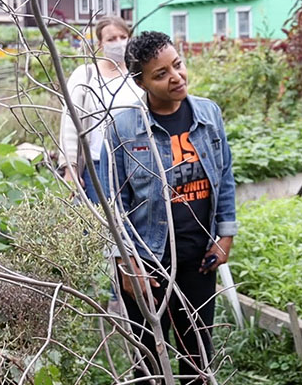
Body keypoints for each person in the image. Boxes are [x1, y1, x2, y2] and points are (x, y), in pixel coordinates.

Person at [99, 31, 236, 384]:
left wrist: (225, 235)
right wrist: (125, 263)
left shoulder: (208, 113)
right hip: (145, 265)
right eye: (160, 74)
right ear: (140, 81)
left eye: (178, 65)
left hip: (197, 259)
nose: (176, 77)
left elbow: (224, 176)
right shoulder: (123, 128)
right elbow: (112, 202)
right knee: (148, 362)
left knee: (197, 359)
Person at [58, 16, 143, 203]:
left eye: (123, 37)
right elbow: (70, 124)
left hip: (137, 163)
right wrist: (70, 169)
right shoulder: (86, 75)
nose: (119, 43)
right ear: (100, 44)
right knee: (106, 223)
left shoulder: (138, 75)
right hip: (97, 166)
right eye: (111, 39)